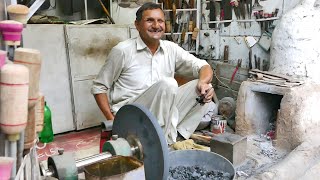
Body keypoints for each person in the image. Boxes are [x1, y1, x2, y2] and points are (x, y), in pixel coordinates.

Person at [91, 2, 216, 144]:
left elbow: (203, 66)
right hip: (131, 115)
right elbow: (99, 87)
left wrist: (203, 82)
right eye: (149, 20)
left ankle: (175, 138)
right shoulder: (122, 51)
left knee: (205, 89)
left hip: (159, 115)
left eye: (160, 21)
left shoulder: (171, 49)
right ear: (137, 25)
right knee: (168, 84)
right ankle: (161, 143)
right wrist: (113, 121)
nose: (156, 26)